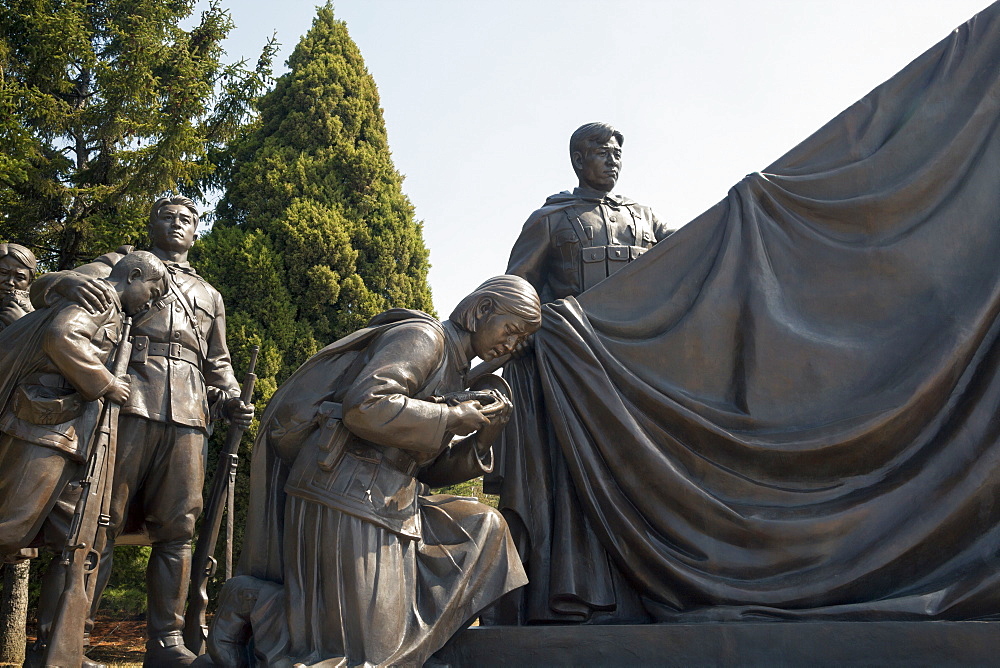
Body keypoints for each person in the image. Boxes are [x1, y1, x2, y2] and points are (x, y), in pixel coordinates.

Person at [198, 276, 540, 668]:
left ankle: (281, 610)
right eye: (511, 330)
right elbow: (365, 406)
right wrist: (451, 415)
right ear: (481, 311)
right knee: (363, 657)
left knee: (486, 528)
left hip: (394, 500)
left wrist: (482, 436)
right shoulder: (425, 338)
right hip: (342, 490)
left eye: (519, 340)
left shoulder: (458, 372)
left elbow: (428, 468)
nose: (511, 346)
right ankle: (251, 601)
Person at [29, 196, 254, 666]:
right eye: (167, 217)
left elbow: (220, 362)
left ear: (196, 232)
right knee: (98, 520)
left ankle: (167, 642)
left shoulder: (209, 295)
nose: (177, 224)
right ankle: (69, 639)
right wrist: (65, 279)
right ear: (151, 225)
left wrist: (232, 396)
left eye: (187, 219)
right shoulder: (121, 265)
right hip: (128, 403)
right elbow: (43, 289)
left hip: (190, 413)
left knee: (179, 529)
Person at [0, 251, 167, 555]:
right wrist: (107, 383)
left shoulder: (115, 312)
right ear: (134, 276)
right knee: (10, 529)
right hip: (42, 425)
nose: (150, 303)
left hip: (64, 429)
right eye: (152, 292)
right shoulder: (101, 299)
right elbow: (62, 336)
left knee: (63, 535)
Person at [506, 122, 673, 303]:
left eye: (617, 155)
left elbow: (689, 246)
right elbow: (516, 287)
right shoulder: (550, 218)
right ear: (579, 160)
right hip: (575, 327)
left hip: (644, 323)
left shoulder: (646, 217)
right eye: (602, 153)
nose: (612, 162)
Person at [0, 242, 38, 328]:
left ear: (29, 282)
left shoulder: (38, 316)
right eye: (3, 273)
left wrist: (24, 325)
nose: (10, 282)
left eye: (20, 277)